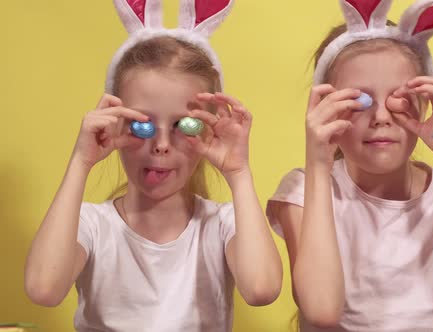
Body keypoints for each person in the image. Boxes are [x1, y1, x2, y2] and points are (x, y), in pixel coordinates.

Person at [266, 0, 433, 331]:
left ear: (423, 102)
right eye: (359, 101)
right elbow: (321, 310)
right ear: (326, 108)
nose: (380, 118)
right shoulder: (304, 190)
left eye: (399, 99)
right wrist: (317, 163)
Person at [24, 1, 282, 331]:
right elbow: (44, 288)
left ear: (207, 127)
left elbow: (261, 289)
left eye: (183, 125)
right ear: (114, 123)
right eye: (142, 125)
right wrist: (80, 161)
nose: (160, 144)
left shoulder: (221, 224)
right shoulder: (93, 225)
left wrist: (239, 172)